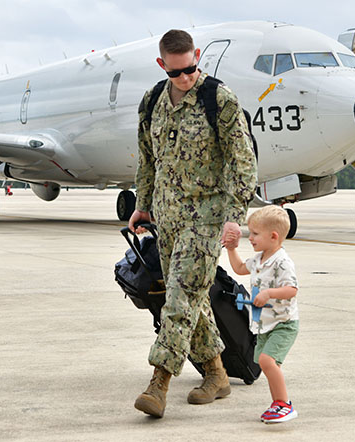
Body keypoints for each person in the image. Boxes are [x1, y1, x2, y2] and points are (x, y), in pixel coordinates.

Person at [128, 29, 257, 418]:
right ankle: (216, 375)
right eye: (177, 72)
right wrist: (142, 205)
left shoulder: (219, 100)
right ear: (162, 64)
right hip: (167, 218)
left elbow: (243, 163)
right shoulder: (152, 102)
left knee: (179, 298)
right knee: (191, 300)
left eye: (191, 69)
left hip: (208, 219)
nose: (185, 78)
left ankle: (159, 381)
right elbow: (148, 160)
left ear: (197, 57)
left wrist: (235, 220)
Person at [225, 205, 298, 423]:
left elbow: (292, 290)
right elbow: (239, 268)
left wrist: (268, 294)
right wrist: (231, 249)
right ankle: (278, 403)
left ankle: (284, 404)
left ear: (273, 236)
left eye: (255, 234)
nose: (251, 238)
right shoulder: (258, 259)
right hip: (265, 324)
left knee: (267, 362)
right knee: (267, 364)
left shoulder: (282, 262)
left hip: (283, 324)